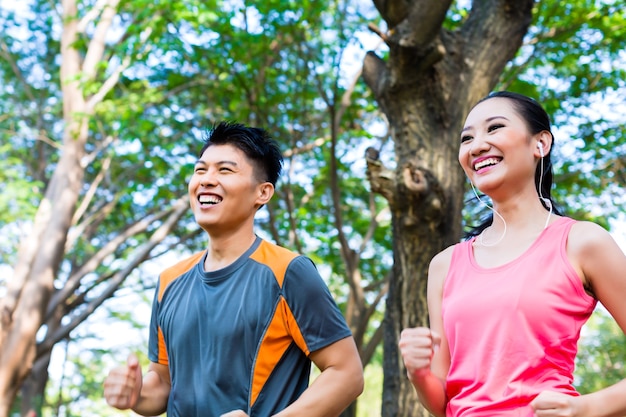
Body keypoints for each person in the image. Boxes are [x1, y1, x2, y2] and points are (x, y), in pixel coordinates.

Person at [103, 121, 364, 416]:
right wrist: (135, 393)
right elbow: (163, 384)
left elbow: (347, 373)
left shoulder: (288, 272)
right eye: (200, 170)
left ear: (262, 193)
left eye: (225, 170)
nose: (207, 180)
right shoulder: (169, 281)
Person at [398, 91, 626, 417]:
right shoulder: (445, 264)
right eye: (467, 138)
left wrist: (586, 408)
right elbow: (442, 402)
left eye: (494, 128)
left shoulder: (582, 242)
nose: (476, 145)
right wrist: (418, 374)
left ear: (540, 144)